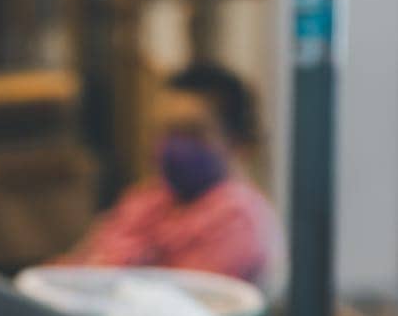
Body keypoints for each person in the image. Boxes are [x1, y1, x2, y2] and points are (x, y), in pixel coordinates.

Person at [60, 64, 283, 293]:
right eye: (166, 131)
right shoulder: (149, 200)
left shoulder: (239, 221)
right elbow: (79, 263)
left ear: (238, 142)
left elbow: (181, 310)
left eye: (191, 132)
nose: (173, 145)